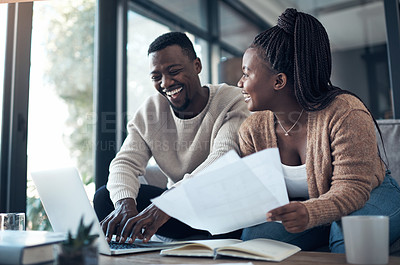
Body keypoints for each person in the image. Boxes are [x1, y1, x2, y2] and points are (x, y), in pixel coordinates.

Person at [236, 8, 400, 252]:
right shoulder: (252, 130)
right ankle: (327, 233)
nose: (240, 83)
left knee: (347, 240)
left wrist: (310, 212)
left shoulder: (345, 113)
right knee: (254, 240)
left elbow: (353, 188)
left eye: (246, 74)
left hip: (369, 194)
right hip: (310, 208)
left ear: (278, 81)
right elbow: (261, 196)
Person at [94, 32, 250, 243]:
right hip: (178, 211)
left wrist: (170, 201)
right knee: (106, 198)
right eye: (156, 77)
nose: (166, 83)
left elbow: (221, 160)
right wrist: (125, 204)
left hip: (223, 210)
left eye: (174, 71)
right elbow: (125, 162)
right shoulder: (151, 110)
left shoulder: (231, 100)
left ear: (197, 66)